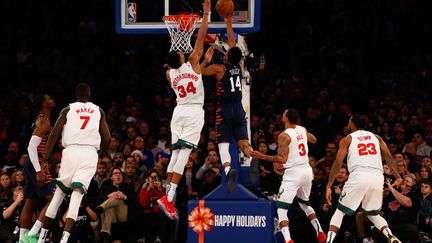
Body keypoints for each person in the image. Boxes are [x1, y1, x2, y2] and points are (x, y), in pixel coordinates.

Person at [27, 82, 111, 243]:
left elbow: (53, 135)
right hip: (89, 152)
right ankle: (64, 240)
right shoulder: (98, 110)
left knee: (59, 194)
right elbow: (107, 138)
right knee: (77, 196)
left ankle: (40, 238)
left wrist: (44, 158)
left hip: (70, 151)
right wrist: (100, 154)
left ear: (76, 96)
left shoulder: (67, 109)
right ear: (89, 95)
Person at [156, 0, 210, 220]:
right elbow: (199, 38)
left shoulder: (170, 75)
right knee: (184, 155)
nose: (181, 51)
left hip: (178, 113)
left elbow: (175, 70)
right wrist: (205, 14)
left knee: (176, 154)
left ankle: (167, 194)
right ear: (180, 58)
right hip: (193, 112)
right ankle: (169, 197)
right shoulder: (192, 62)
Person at [250, 108, 326, 243]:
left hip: (293, 172)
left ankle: (288, 239)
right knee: (305, 204)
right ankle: (319, 231)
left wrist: (261, 156)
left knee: (282, 208)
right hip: (307, 171)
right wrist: (304, 135)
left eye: (284, 114)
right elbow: (314, 140)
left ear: (286, 118)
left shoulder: (284, 136)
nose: (282, 115)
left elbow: (282, 159)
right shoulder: (302, 129)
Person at [325, 115, 403, 243]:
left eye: (349, 122)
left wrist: (329, 185)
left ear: (352, 125)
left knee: (340, 211)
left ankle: (329, 240)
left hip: (359, 175)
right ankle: (390, 235)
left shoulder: (348, 139)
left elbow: (338, 162)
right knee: (372, 214)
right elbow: (388, 156)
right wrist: (398, 177)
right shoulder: (376, 138)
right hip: (377, 176)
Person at [201, 15, 253, 193]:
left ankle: (228, 170)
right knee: (244, 145)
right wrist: (228, 21)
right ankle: (253, 162)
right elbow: (232, 43)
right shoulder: (239, 64)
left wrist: (206, 61)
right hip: (239, 110)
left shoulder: (219, 68)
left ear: (226, 57)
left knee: (223, 145)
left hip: (224, 110)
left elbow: (197, 71)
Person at [20, 94, 55, 242]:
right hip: (36, 163)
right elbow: (31, 147)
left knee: (31, 201)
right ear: (43, 104)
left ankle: (22, 239)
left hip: (32, 163)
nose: (52, 100)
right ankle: (32, 235)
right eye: (48, 99)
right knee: (53, 200)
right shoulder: (43, 121)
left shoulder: (43, 119)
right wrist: (39, 170)